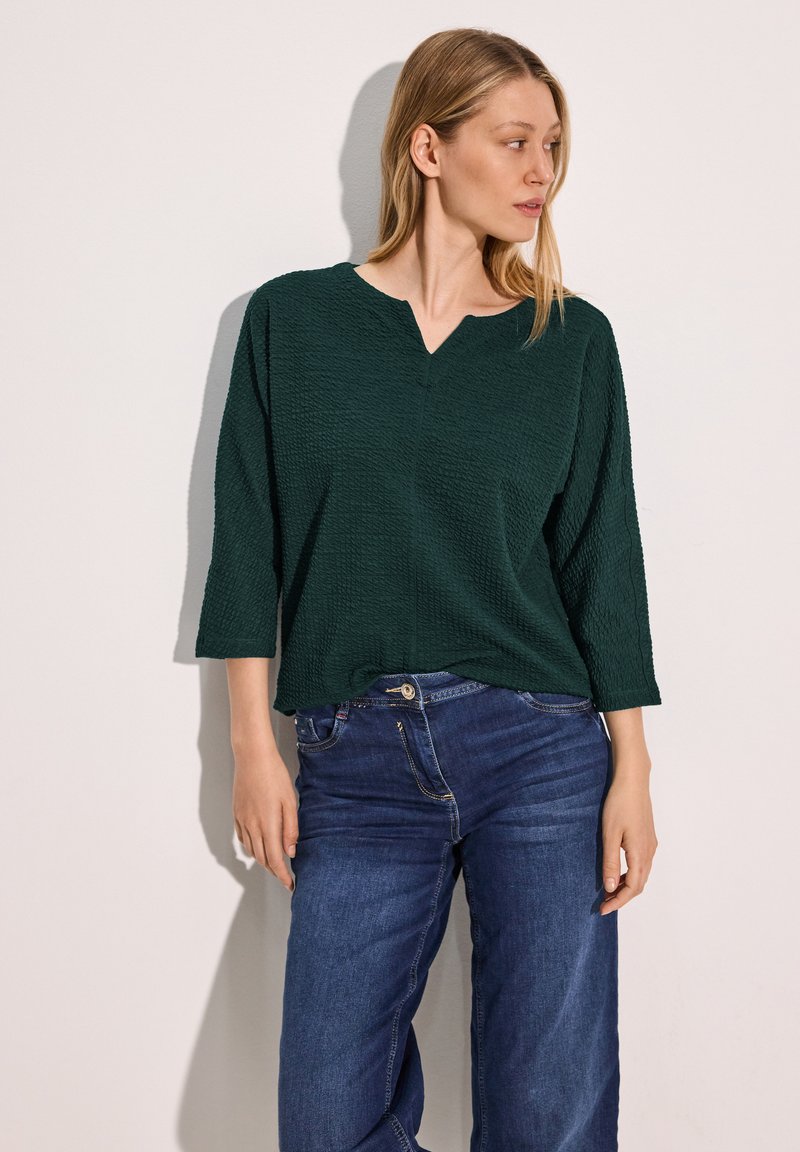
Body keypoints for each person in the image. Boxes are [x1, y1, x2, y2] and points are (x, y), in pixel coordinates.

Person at [195, 26, 661, 1152]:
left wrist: (633, 768)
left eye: (552, 145)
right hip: (353, 756)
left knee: (547, 1111)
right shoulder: (291, 321)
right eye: (514, 141)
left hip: (541, 750)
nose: (542, 170)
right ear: (427, 148)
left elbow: (603, 561)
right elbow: (248, 544)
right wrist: (252, 744)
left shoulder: (570, 341)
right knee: (325, 1116)